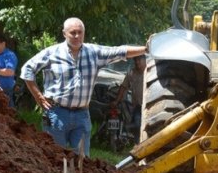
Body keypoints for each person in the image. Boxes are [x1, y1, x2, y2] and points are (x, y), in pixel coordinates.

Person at [20, 17, 147, 156]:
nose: (77, 36)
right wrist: (39, 97)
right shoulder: (52, 53)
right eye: (72, 33)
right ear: (64, 34)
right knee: (53, 159)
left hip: (82, 115)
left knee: (82, 162)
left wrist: (145, 49)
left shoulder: (93, 52)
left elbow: (120, 51)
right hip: (56, 114)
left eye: (80, 32)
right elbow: (27, 69)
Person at [110, 55, 146, 144]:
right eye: (135, 60)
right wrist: (116, 101)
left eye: (139, 60)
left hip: (149, 105)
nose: (137, 62)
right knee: (137, 124)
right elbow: (123, 87)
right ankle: (138, 144)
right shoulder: (132, 73)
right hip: (138, 105)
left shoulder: (149, 72)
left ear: (145, 60)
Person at [0, 34, 18, 107]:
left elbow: (10, 72)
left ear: (3, 44)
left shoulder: (9, 55)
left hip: (5, 91)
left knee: (8, 113)